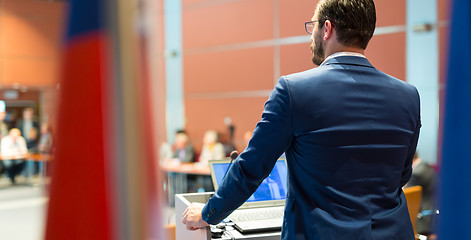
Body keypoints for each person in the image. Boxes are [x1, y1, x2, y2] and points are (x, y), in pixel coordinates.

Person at [182, 0, 421, 239]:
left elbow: (251, 168)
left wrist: (207, 213)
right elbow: (401, 175)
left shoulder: (293, 90)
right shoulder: (409, 95)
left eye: (313, 26)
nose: (311, 37)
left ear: (327, 28)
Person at [406, 152, 438, 235]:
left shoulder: (416, 173)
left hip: (422, 218)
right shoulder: (427, 167)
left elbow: (406, 193)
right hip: (433, 213)